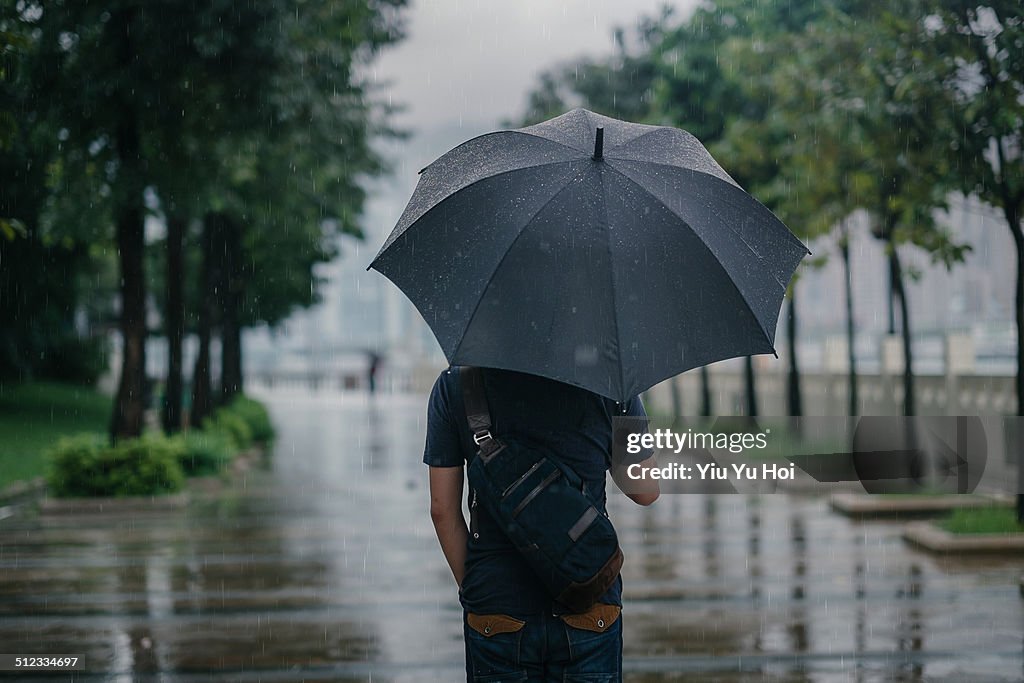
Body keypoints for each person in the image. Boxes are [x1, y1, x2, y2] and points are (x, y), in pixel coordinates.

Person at [424, 365, 660, 682]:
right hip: (588, 594)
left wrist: (477, 588)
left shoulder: (458, 384)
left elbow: (442, 510)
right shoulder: (611, 383)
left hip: (497, 602)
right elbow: (644, 490)